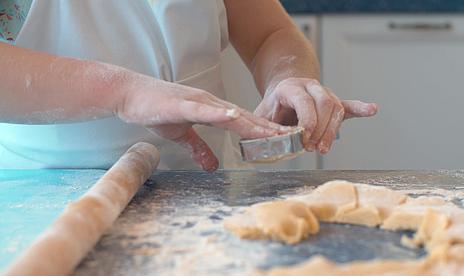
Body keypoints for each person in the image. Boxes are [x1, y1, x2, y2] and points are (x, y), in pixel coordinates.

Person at [0, 0, 378, 171]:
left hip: (201, 191)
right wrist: (124, 92)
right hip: (42, 196)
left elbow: (269, 33)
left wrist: (288, 76)